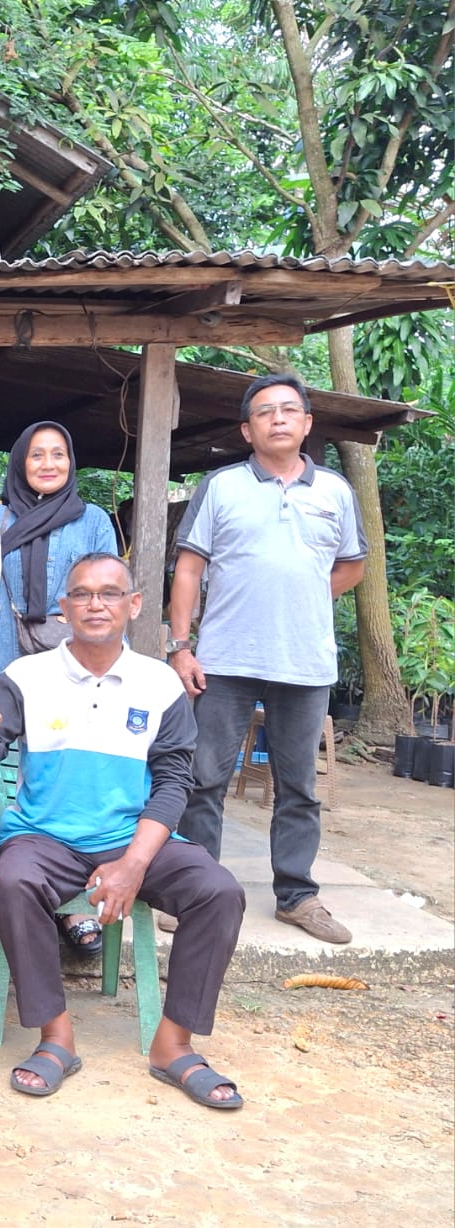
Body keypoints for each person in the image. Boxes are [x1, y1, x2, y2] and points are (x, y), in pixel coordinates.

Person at [0, 552, 246, 1108]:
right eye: (82, 594)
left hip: (131, 835)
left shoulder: (160, 683)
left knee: (218, 891)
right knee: (14, 881)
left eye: (110, 593)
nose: (96, 604)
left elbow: (174, 782)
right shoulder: (25, 676)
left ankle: (173, 1044)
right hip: (46, 834)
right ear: (64, 608)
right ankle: (56, 1037)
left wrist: (133, 864)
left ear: (133, 605)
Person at [168, 375, 366, 944]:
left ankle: (297, 896)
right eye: (264, 412)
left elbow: (352, 566)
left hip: (305, 664)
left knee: (298, 786)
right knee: (205, 778)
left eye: (288, 410)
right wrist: (181, 646)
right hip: (226, 659)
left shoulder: (335, 491)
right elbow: (188, 568)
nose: (277, 419)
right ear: (246, 430)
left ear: (306, 423)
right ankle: (196, 890)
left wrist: (301, 599)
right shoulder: (222, 486)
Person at [0, 419, 119, 958]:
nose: (48, 463)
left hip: (74, 659)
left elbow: (108, 589)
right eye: (37, 454)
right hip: (6, 648)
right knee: (6, 769)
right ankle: (20, 885)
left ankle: (74, 903)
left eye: (58, 454)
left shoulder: (93, 520)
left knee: (70, 771)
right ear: (20, 462)